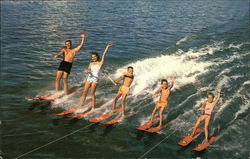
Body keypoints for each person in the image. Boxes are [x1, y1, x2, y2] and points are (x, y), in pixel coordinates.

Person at [81, 42, 113, 109]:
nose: (93, 58)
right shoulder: (91, 63)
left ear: (97, 57)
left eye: (94, 56)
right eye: (92, 57)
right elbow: (89, 69)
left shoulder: (100, 63)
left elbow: (104, 54)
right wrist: (87, 70)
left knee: (92, 93)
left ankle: (93, 107)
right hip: (89, 78)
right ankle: (82, 104)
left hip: (95, 79)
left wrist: (107, 47)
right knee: (84, 92)